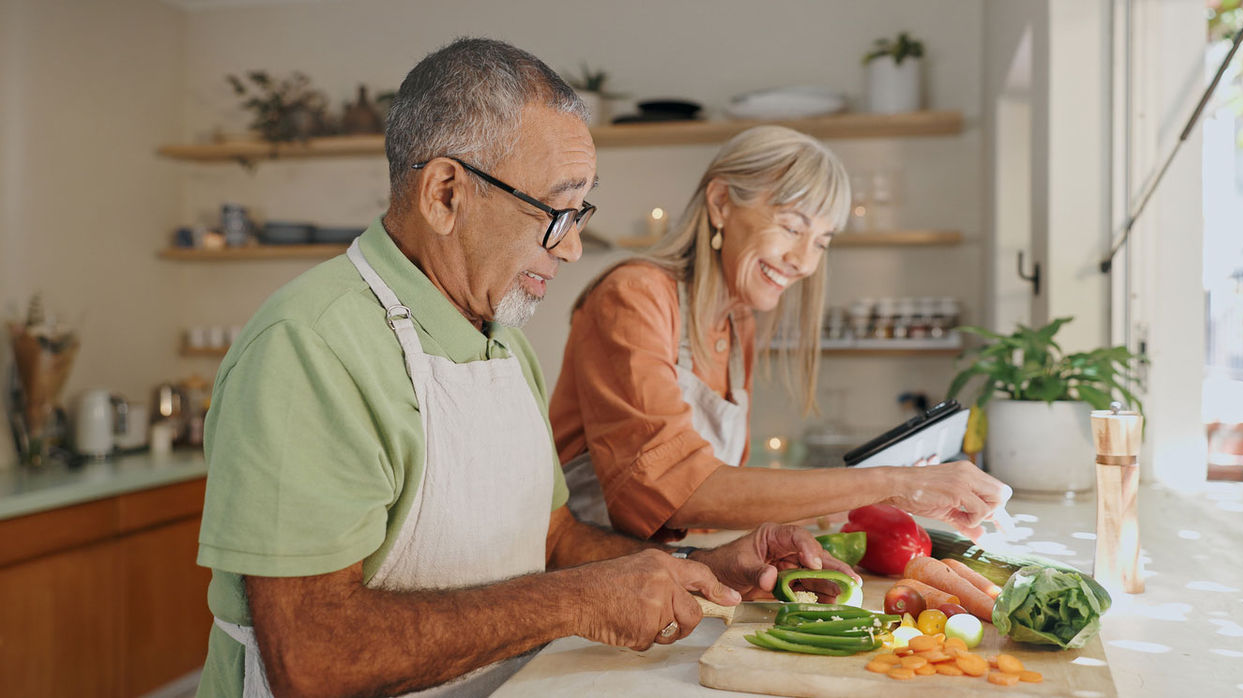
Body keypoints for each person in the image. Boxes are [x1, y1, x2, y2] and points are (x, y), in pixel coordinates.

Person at [194, 39, 854, 698]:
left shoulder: (505, 345)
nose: (570, 248)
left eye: (580, 213)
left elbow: (555, 536)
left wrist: (701, 567)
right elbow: (314, 659)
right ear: (445, 193)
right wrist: (574, 602)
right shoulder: (309, 348)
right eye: (555, 212)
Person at [549, 125, 1010, 543]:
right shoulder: (632, 296)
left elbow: (716, 502)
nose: (805, 263)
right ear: (721, 203)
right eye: (792, 227)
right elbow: (677, 489)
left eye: (822, 243)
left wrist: (889, 496)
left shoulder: (738, 320)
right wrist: (896, 482)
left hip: (668, 576)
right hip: (590, 585)